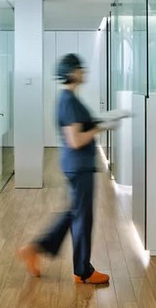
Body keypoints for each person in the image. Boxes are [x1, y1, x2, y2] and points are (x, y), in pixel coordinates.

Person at [16, 53, 116, 284]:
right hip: (79, 167)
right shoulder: (69, 101)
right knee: (82, 218)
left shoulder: (69, 99)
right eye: (80, 68)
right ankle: (82, 271)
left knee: (75, 214)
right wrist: (101, 127)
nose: (84, 71)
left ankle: (35, 249)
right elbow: (76, 140)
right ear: (71, 72)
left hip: (77, 166)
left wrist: (98, 123)